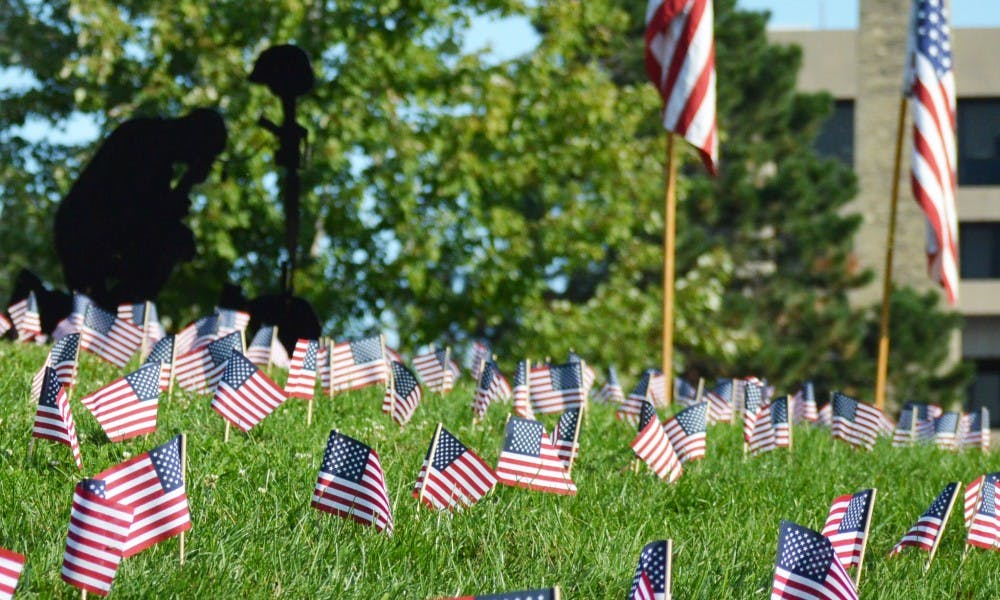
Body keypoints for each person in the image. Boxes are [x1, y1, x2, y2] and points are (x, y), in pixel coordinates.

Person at [54, 108, 227, 307]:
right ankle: (116, 314)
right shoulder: (148, 142)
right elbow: (147, 214)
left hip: (88, 232)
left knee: (171, 241)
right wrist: (187, 182)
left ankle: (111, 314)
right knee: (173, 241)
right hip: (88, 235)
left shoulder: (150, 139)